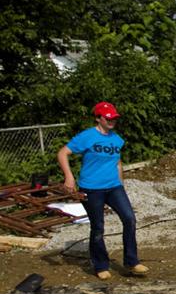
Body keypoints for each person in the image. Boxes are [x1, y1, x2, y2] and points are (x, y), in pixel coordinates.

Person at [56, 102, 148, 280]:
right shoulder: (87, 136)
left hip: (114, 187)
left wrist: (121, 184)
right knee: (98, 227)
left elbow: (117, 161)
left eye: (114, 118)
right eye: (108, 118)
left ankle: (132, 261)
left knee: (130, 219)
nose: (112, 121)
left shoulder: (116, 139)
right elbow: (62, 153)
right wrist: (69, 176)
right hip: (92, 189)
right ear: (98, 118)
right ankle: (100, 265)